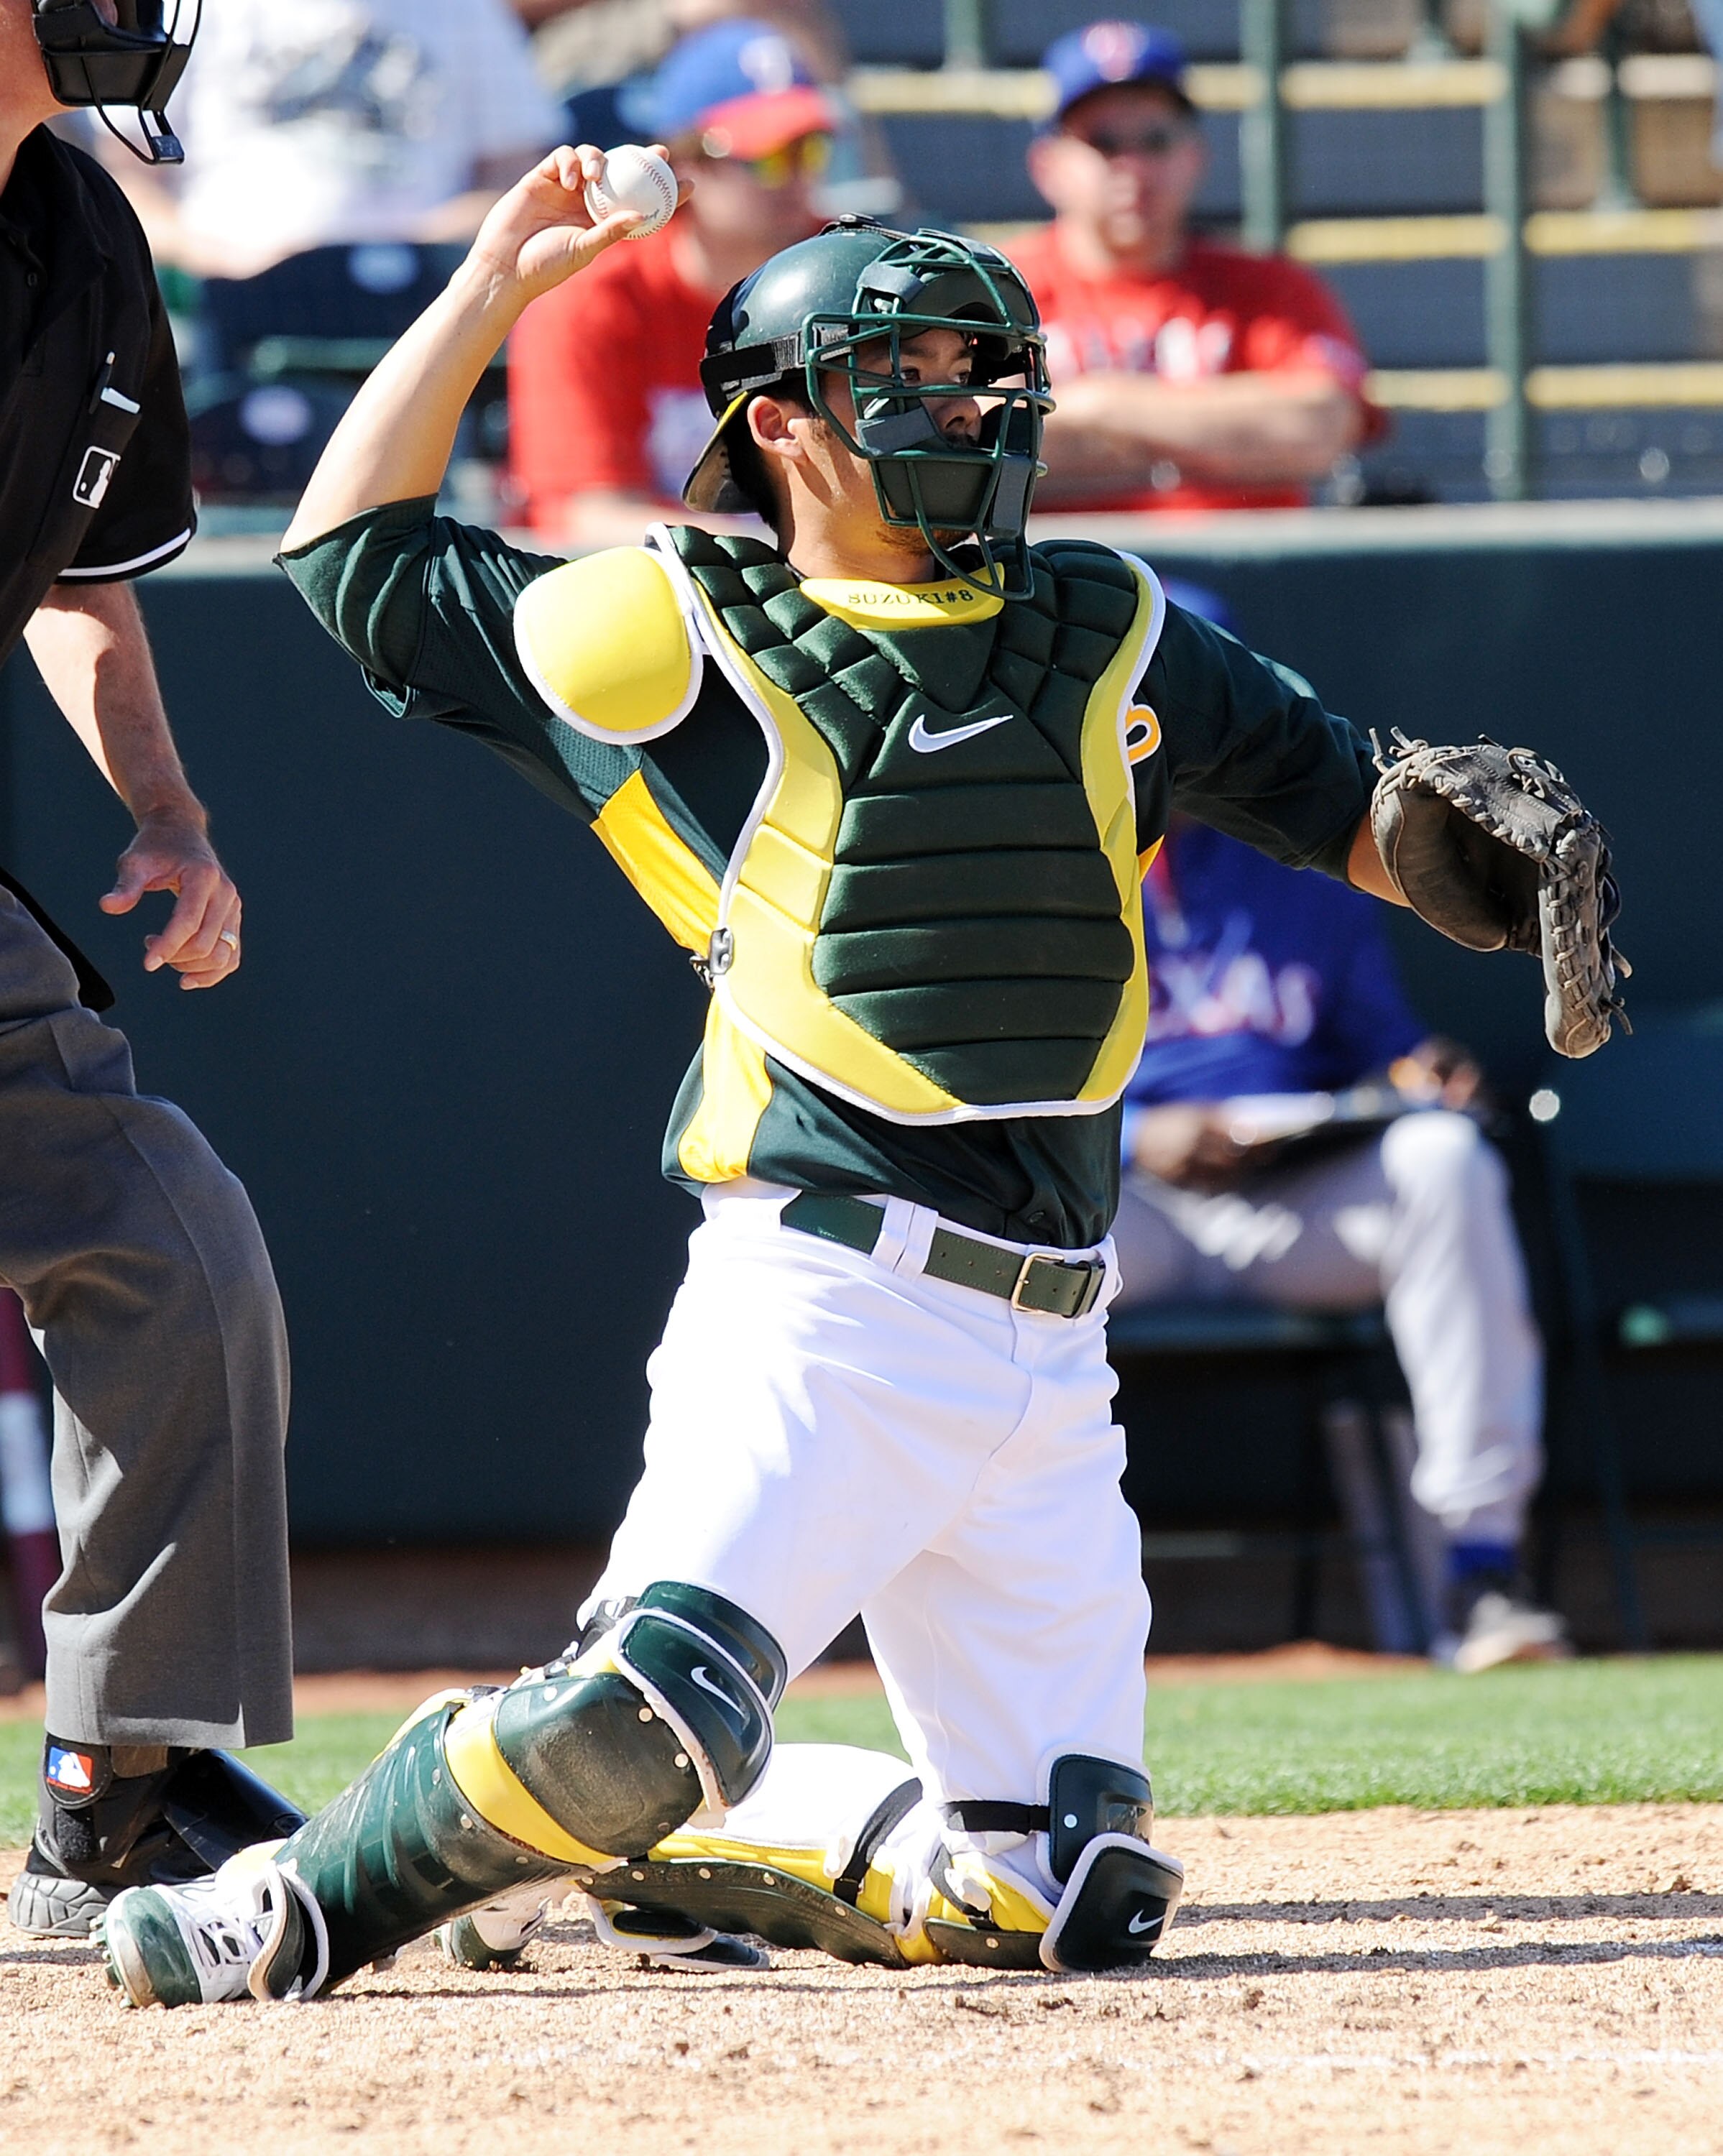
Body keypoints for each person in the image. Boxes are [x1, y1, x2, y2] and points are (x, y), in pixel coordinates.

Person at [95, 146, 1572, 2009]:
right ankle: (301, 1899)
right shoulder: (673, 623)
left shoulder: (1105, 619)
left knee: (1062, 1905)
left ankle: (607, 1842)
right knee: (650, 1714)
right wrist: (488, 288)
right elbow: (352, 563)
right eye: (920, 378)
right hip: (829, 1291)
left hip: (1055, 1338)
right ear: (783, 424)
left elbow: (1347, 807)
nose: (971, 409)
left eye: (986, 372)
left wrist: (1490, 867)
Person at [0, 0, 300, 1938]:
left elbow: (75, 574)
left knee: (164, 1239)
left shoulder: (77, 226)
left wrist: (169, 810)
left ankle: (122, 1774)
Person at [1111, 821, 1568, 1672]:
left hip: (1292, 1202)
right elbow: (986, 1093)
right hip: (1120, 1205)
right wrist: (1133, 1134)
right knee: (986, 1229)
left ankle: (1480, 1569)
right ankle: (961, 1592)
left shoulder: (1301, 862)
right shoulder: (1051, 855)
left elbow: (1385, 1047)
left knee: (1444, 1159)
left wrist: (1419, 1074)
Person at [1010, 19, 1378, 515]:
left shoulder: (1271, 286)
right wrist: (1214, 440)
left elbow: (1318, 430)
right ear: (1046, 166)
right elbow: (978, 446)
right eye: (1104, 143)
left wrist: (1102, 405)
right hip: (1051, 579)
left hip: (1241, 574)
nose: (1133, 168)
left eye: (1156, 140)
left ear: (1194, 156)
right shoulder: (996, 289)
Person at [507, 17, 832, 544]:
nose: (795, 176)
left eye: (810, 149)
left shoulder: (850, 278)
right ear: (684, 161)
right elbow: (586, 517)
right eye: (767, 157)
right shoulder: (595, 295)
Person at [106, 0, 564, 281]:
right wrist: (215, 259)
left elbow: (516, 176)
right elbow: (126, 176)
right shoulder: (197, 8)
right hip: (235, 292)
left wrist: (410, 245)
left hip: (418, 289)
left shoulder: (464, 9)